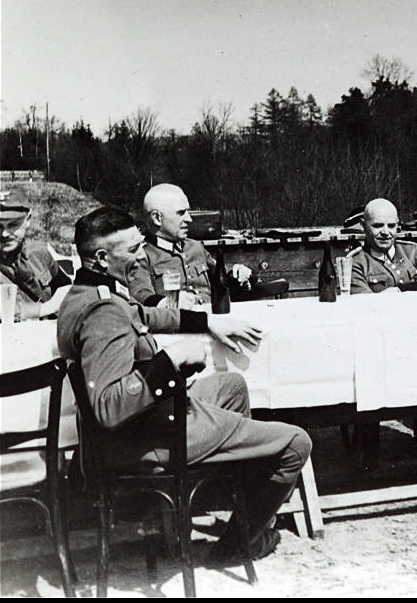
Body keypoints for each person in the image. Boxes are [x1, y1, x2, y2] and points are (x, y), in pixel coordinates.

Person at [57, 207, 311, 564]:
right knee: (297, 442)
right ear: (101, 257)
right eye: (131, 251)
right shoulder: (104, 313)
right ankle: (239, 543)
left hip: (144, 427)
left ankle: (207, 497)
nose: (142, 256)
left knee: (232, 386)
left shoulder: (87, 294)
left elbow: (146, 316)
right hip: (148, 438)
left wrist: (206, 322)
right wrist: (170, 361)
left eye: (141, 245)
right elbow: (109, 407)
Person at [346, 198, 417, 466]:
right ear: (364, 226)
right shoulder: (355, 262)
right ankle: (371, 451)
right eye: (378, 225)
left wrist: (400, 292)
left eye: (392, 225)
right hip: (382, 347)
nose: (386, 232)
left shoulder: (414, 251)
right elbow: (365, 304)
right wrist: (415, 286)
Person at [127, 183, 252, 309]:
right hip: (179, 324)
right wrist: (167, 302)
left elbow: (221, 281)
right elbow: (141, 296)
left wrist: (236, 273)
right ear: (157, 218)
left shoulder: (196, 247)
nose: (189, 219)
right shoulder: (141, 255)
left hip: (214, 319)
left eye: (188, 211)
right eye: (181, 213)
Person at [0, 191, 72, 321]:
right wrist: (47, 308)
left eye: (13, 225)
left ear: (27, 220)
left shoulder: (39, 252)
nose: (4, 234)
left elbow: (64, 284)